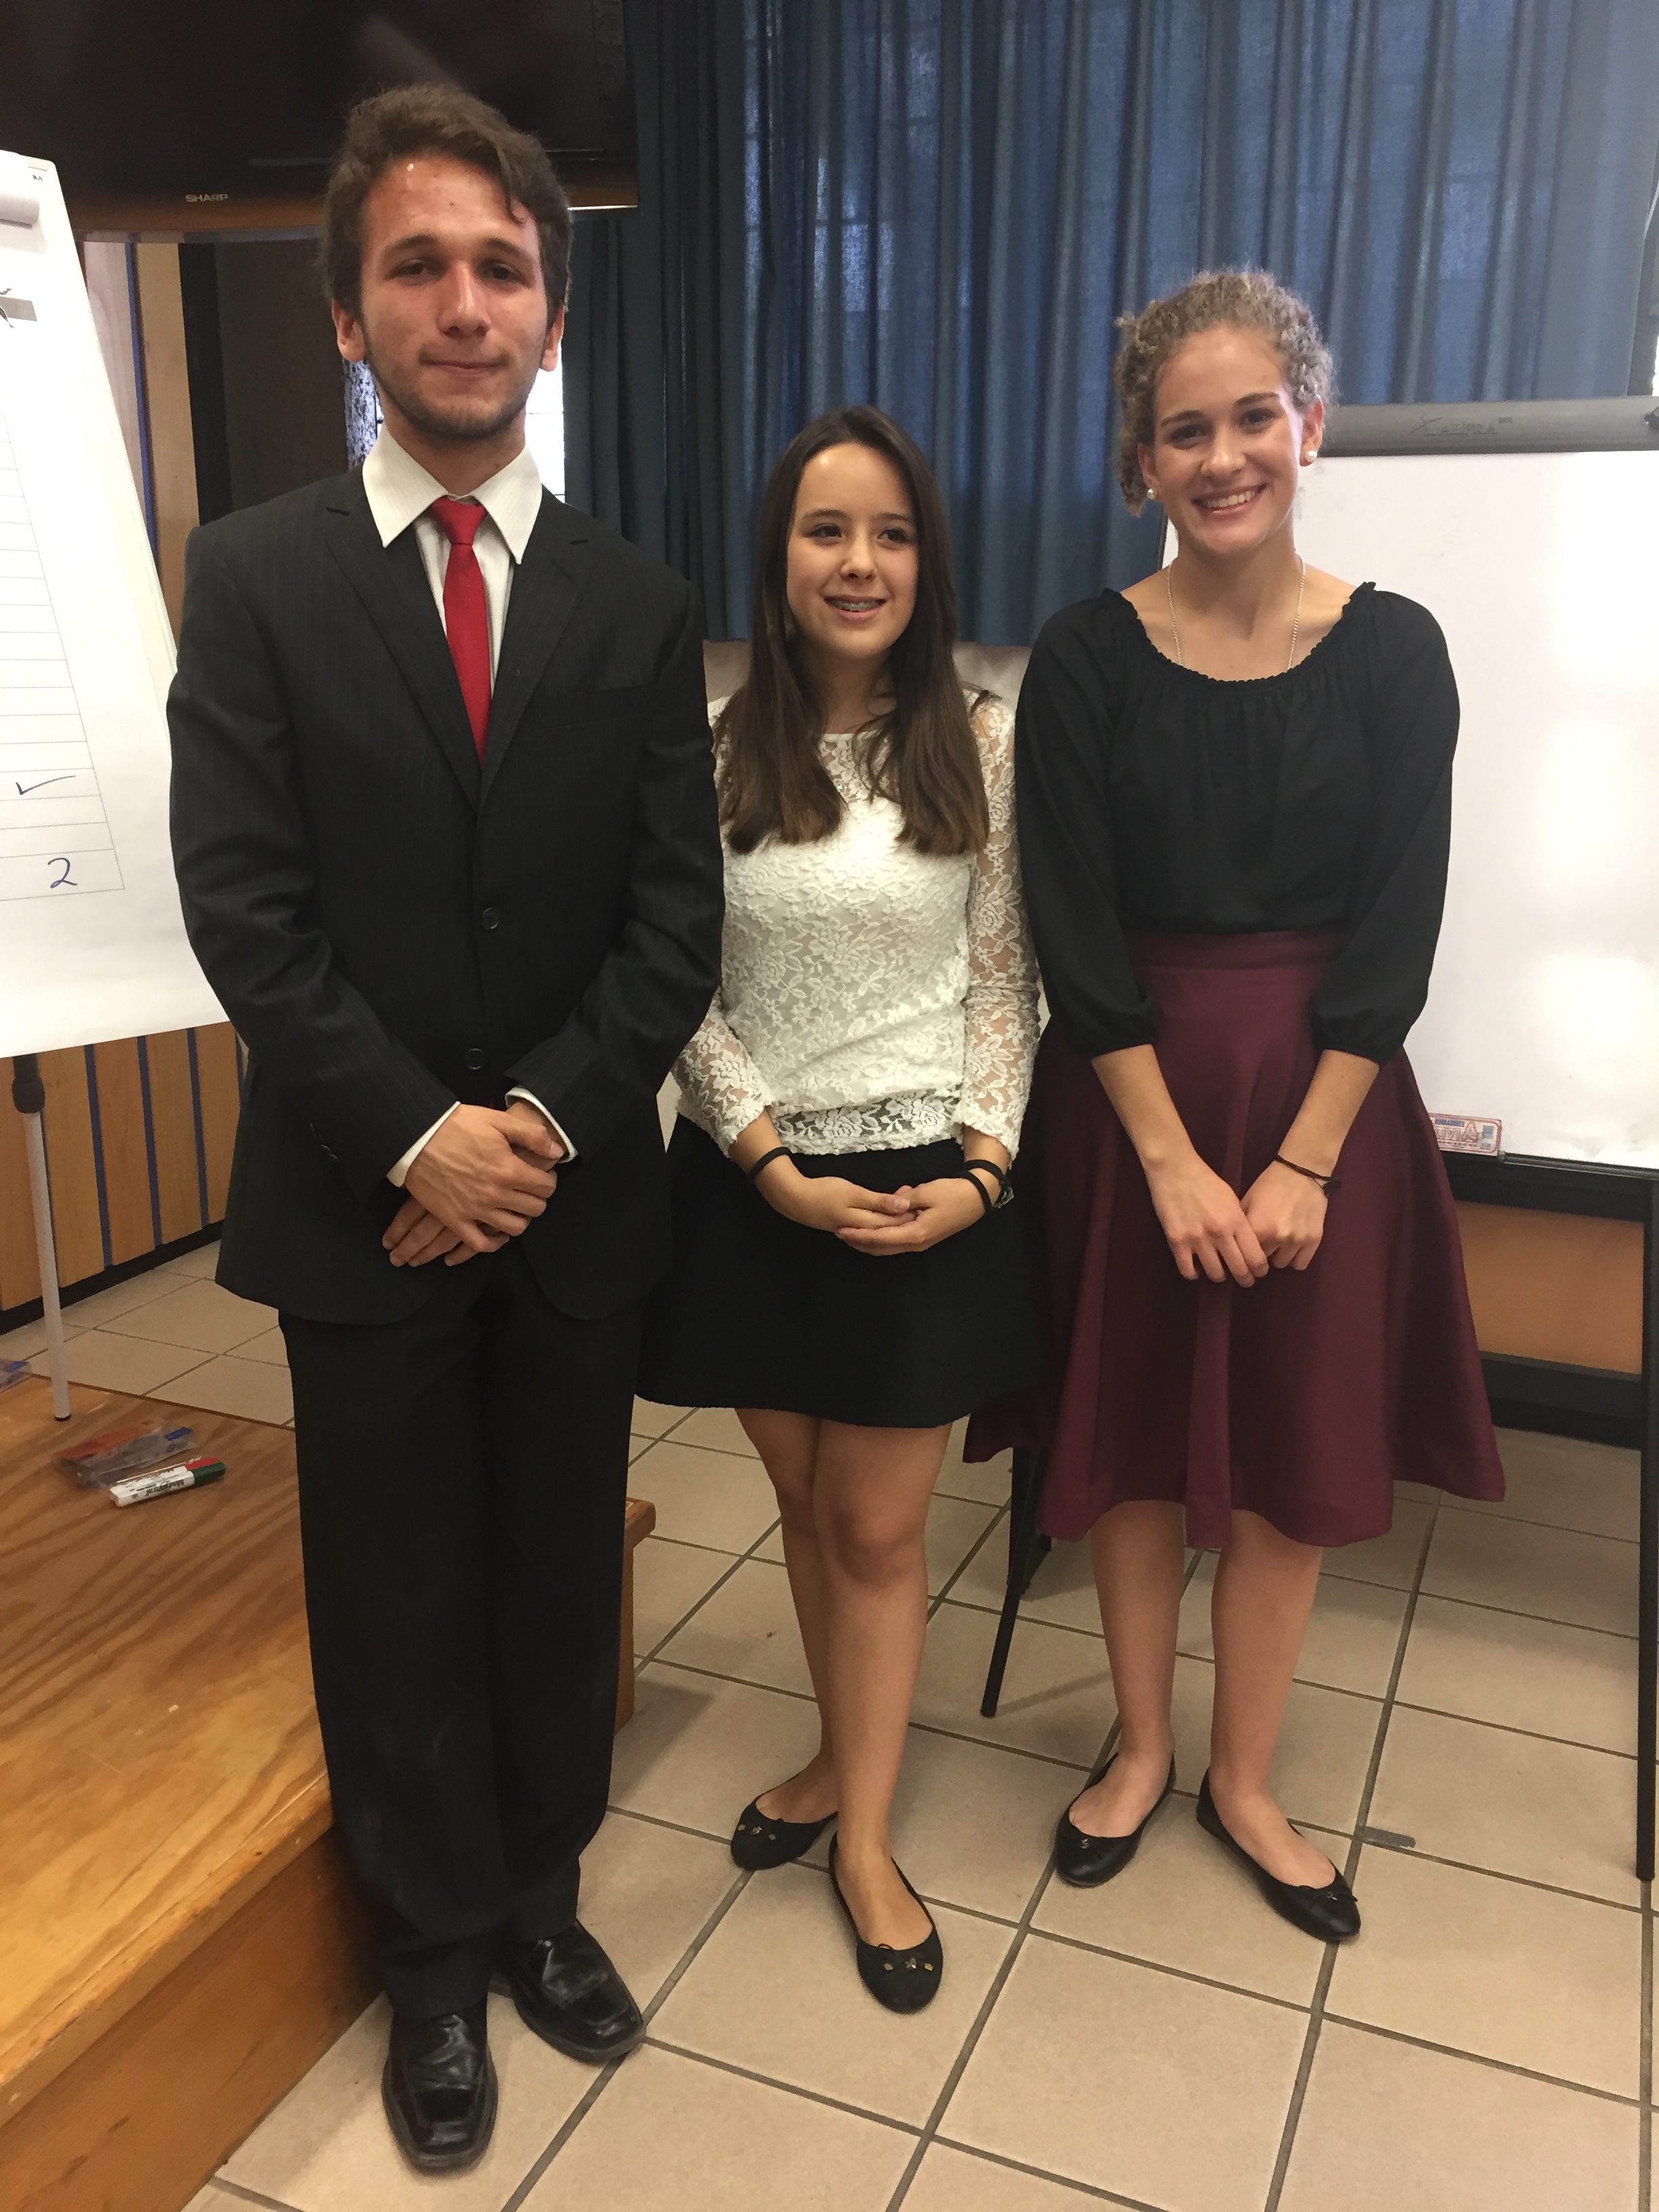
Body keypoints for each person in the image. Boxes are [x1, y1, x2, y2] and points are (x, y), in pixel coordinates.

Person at [168, 87, 723, 2171]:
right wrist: (418, 1139)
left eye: (501, 267)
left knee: (556, 1574)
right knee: (392, 1596)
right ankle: (431, 1963)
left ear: (552, 316)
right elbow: (247, 910)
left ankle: (544, 1901)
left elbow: (676, 924)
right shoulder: (253, 578)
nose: (463, 303)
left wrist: (533, 1132)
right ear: (349, 311)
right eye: (418, 265)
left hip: (570, 1211)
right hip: (356, 1207)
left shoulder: (637, 603)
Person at [968, 270, 1503, 1941]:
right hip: (1127, 1107)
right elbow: (1071, 930)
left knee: (1288, 1466)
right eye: (1182, 430)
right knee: (1128, 1454)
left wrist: (1300, 1166)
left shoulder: (1400, 653)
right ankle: (1139, 1749)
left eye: (1251, 418)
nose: (1222, 458)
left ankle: (1246, 1780)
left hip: (1327, 1117)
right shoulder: (1084, 659)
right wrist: (1172, 1164)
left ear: (1309, 425)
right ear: (1141, 460)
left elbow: (1399, 928)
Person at [638, 406, 1040, 2011]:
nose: (859, 562)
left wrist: (984, 1172)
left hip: (926, 1186)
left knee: (877, 1527)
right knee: (804, 1507)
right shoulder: (709, 749)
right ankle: (833, 1753)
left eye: (891, 533)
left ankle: (864, 1840)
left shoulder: (982, 743)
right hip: (756, 1186)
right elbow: (676, 979)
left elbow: (1008, 980)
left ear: (925, 560)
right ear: (780, 555)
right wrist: (767, 1163)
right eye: (827, 531)